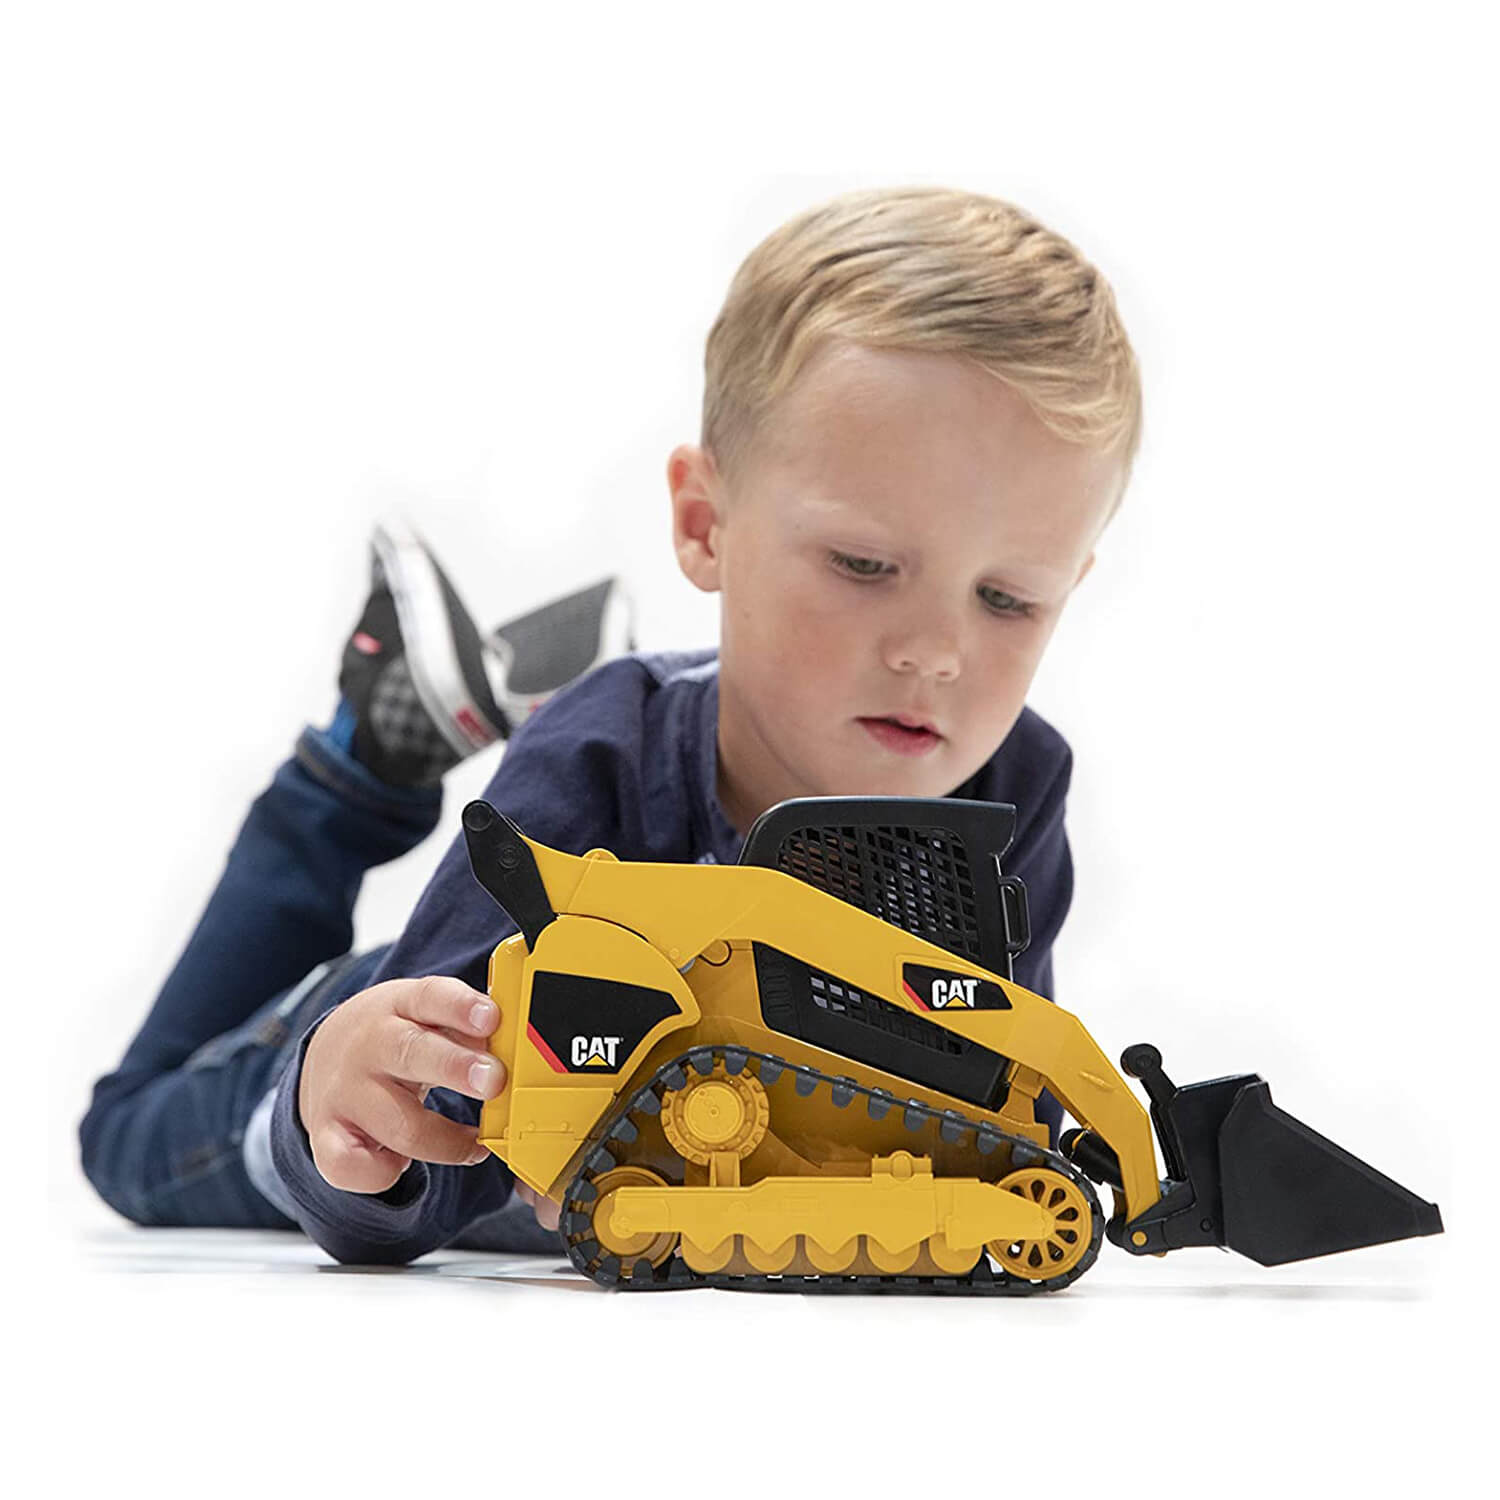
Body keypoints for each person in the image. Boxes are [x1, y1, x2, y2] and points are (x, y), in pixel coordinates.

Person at [79, 184, 1143, 1266]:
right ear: (703, 526)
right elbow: (421, 1131)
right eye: (865, 566)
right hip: (366, 1037)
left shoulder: (1018, 787)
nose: (937, 652)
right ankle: (361, 767)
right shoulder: (602, 761)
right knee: (124, 1138)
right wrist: (347, 1117)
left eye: (1009, 599)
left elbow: (996, 1105)